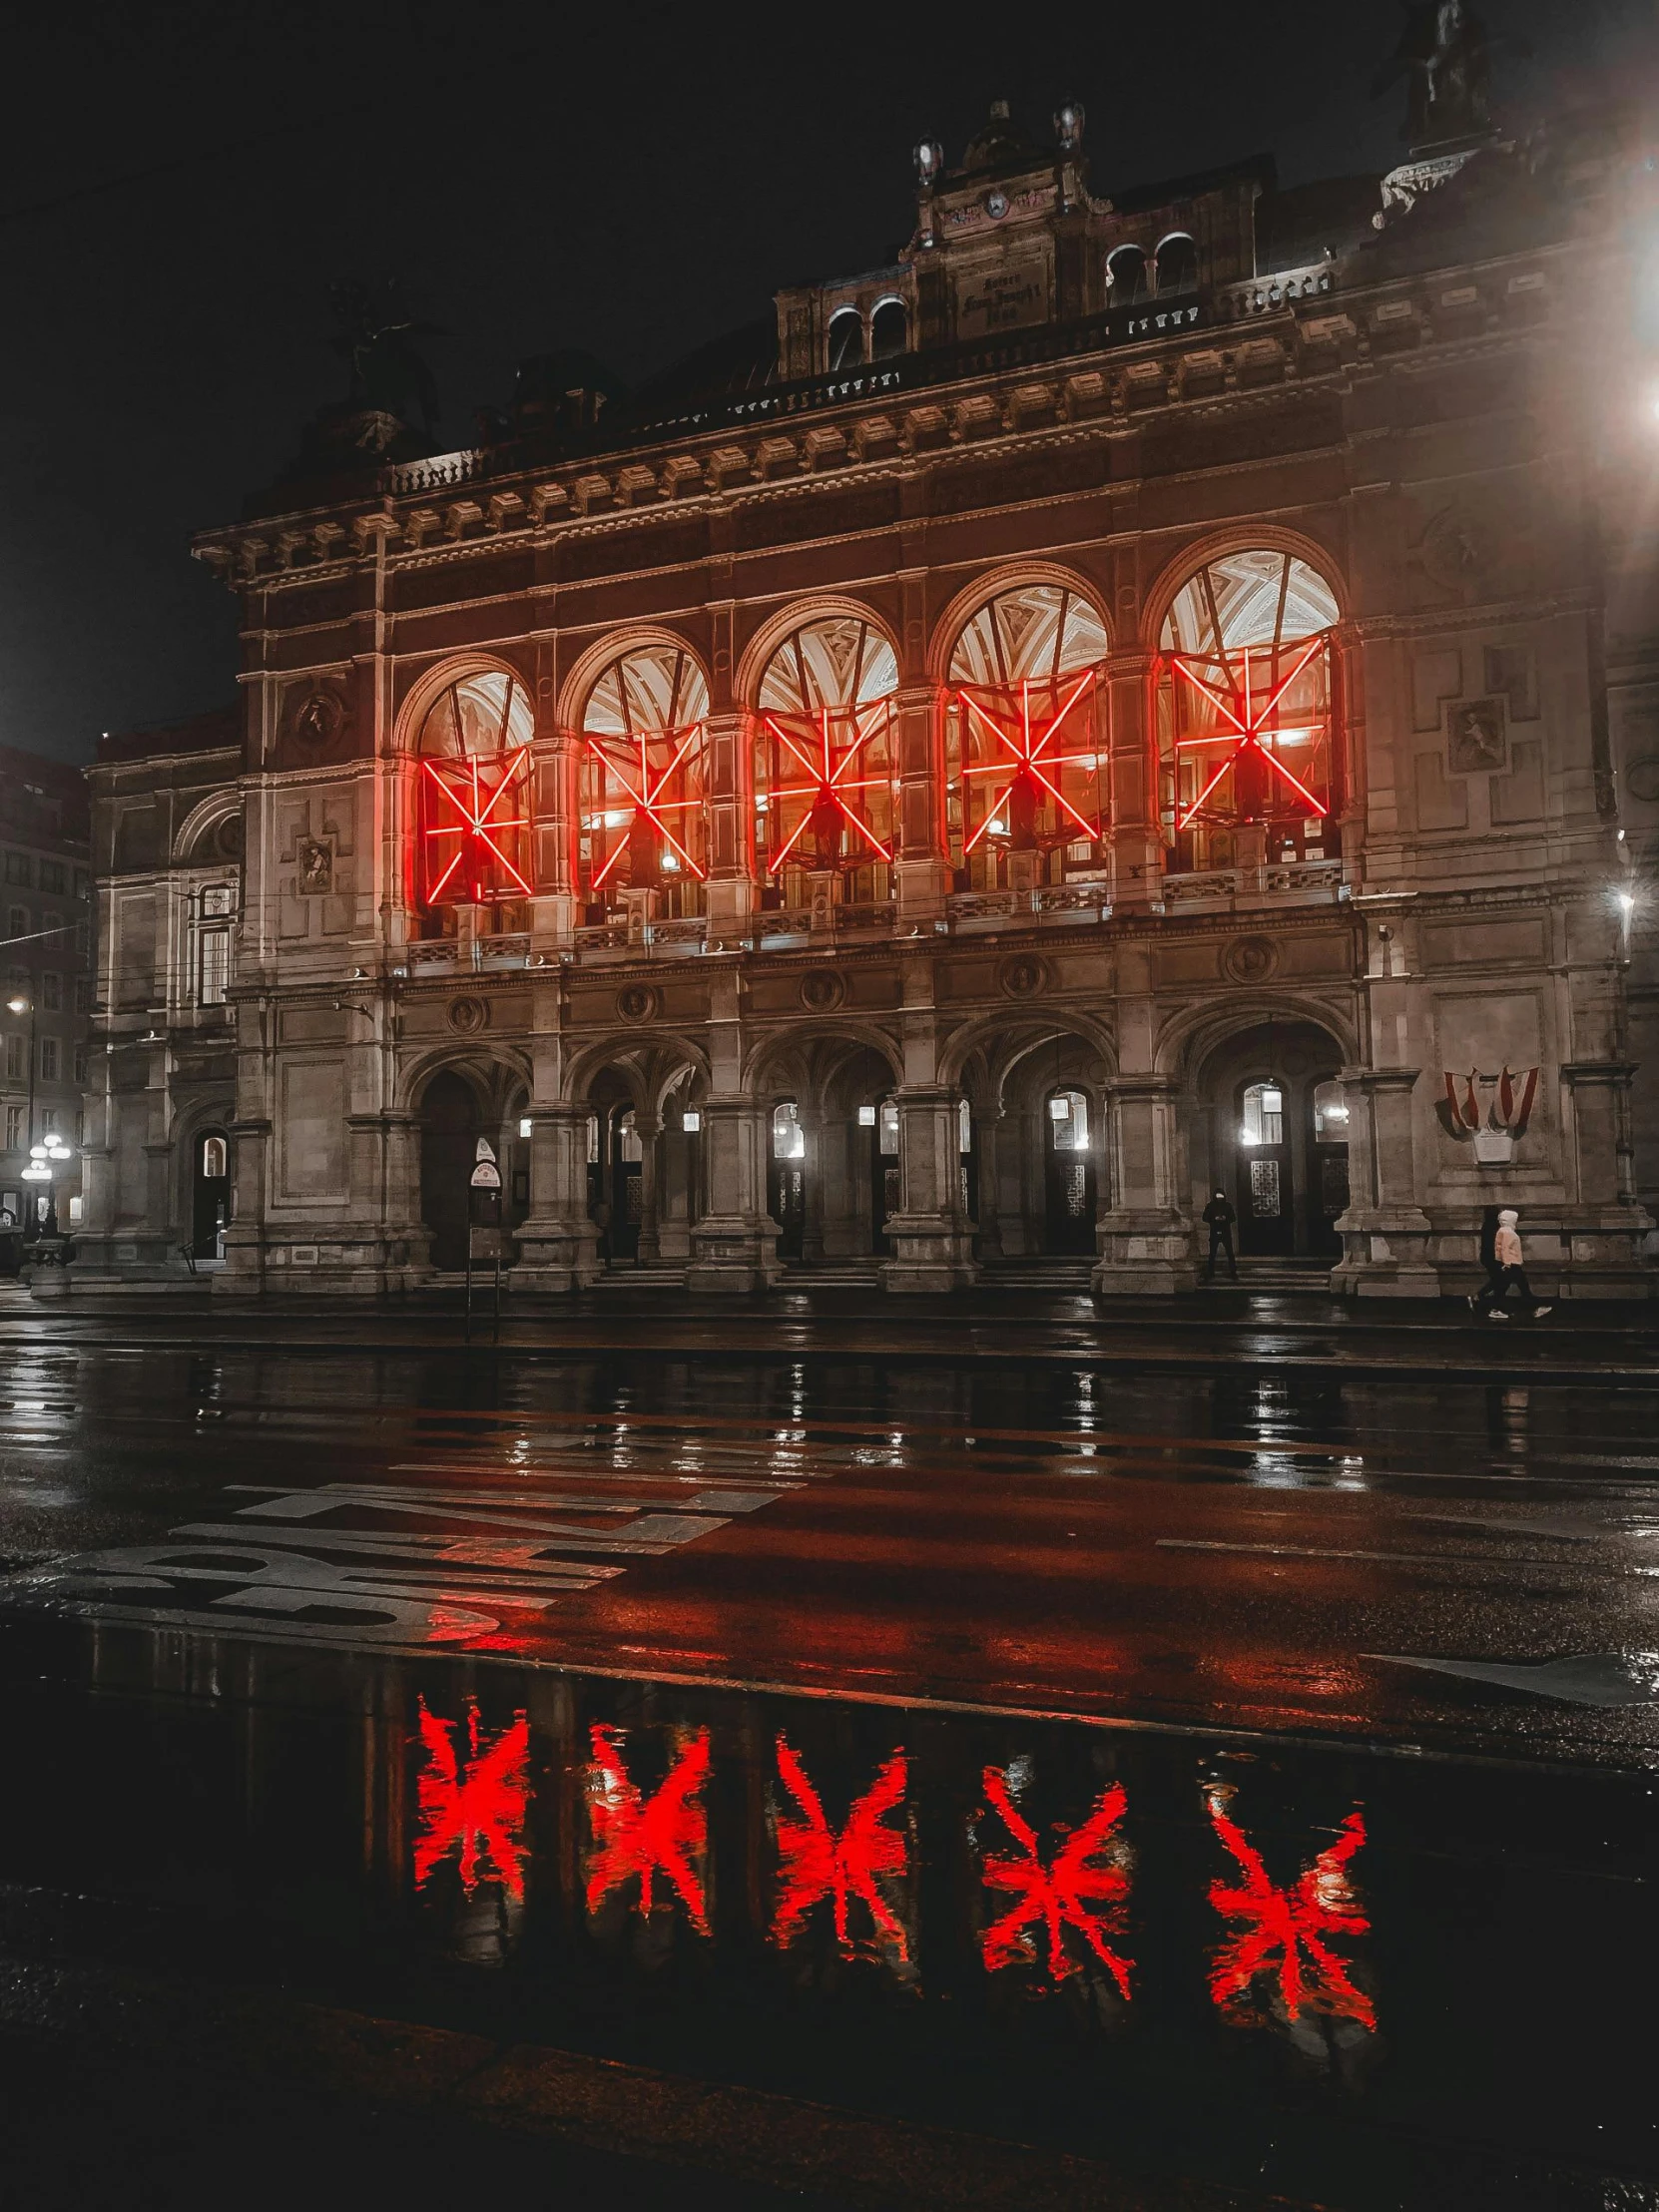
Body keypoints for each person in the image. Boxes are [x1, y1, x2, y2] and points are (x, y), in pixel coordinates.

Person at [1471, 1208, 1552, 1321]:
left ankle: (1491, 1305)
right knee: (1515, 1286)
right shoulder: (1507, 1232)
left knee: (1504, 1285)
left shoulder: (1500, 1230)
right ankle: (1533, 1308)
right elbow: (1505, 1248)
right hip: (1511, 1263)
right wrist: (1508, 1263)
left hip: (1509, 1262)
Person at [1202, 1188, 1238, 1282]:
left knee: (1230, 1253)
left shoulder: (1228, 1205)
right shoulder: (1210, 1206)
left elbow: (1233, 1217)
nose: (1219, 1198)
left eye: (1221, 1196)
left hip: (1225, 1231)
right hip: (1214, 1231)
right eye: (1218, 1196)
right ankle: (1210, 1272)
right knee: (1212, 1253)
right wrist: (1214, 1218)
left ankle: (1233, 1272)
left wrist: (1225, 1218)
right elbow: (1204, 1217)